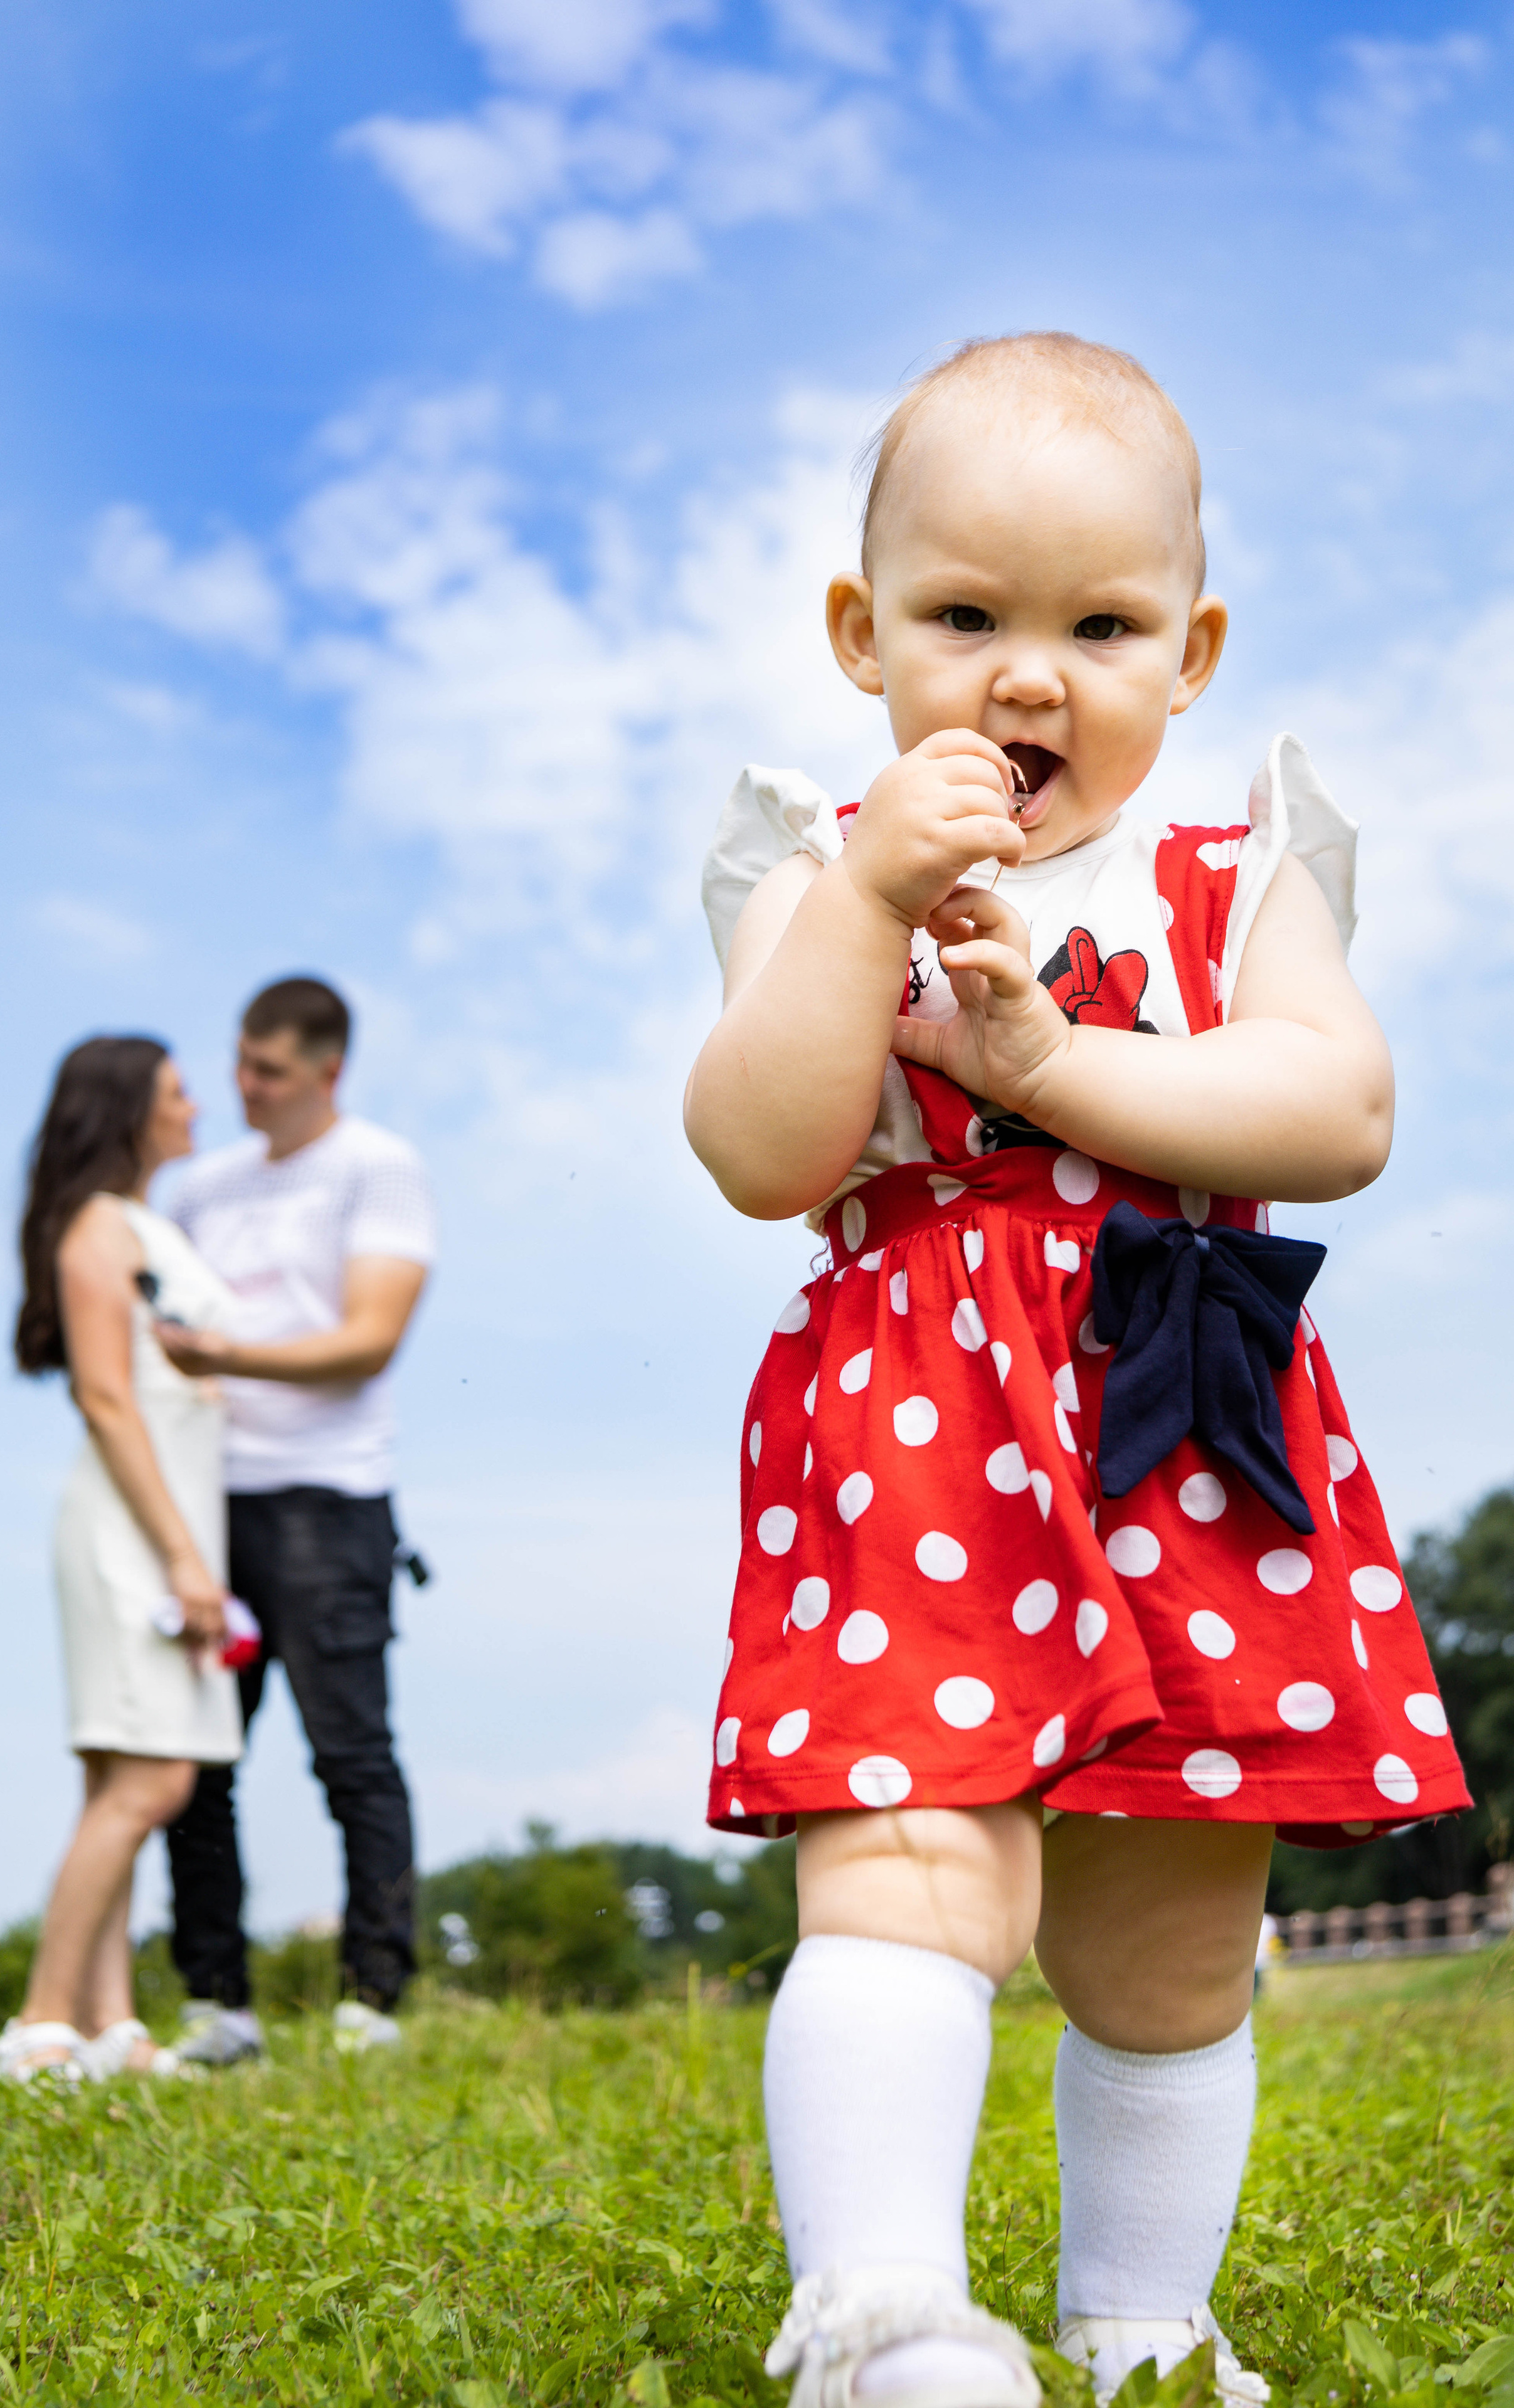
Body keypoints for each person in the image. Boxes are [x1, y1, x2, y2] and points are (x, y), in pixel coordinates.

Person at [684, 332, 1470, 2408]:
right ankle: (876, 2315)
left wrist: (1057, 1066)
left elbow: (1334, 1111)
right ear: (863, 637)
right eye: (964, 619)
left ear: (1190, 649)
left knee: (1169, 1931)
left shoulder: (1236, 873)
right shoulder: (811, 859)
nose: (1029, 677)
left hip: (1181, 1412)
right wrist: (866, 907)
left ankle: (1140, 2322)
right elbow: (763, 1150)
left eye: (1100, 625)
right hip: (922, 1421)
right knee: (915, 1849)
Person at [156, 976, 433, 2062]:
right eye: (239, 1063)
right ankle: (215, 2005)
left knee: (351, 1753)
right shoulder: (201, 1190)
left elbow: (369, 1339)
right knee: (196, 1765)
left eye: (268, 1071)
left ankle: (374, 2000)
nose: (245, 1088)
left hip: (330, 1496)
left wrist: (218, 1356)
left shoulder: (377, 1167)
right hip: (207, 1502)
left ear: (329, 1070)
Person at [3, 1037, 242, 2083]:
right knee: (150, 1780)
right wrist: (187, 1562)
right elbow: (104, 1397)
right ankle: (40, 2025)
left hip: (162, 1528)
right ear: (128, 1111)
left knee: (121, 1777)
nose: (196, 1107)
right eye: (177, 1093)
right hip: (131, 1536)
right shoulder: (98, 1228)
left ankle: (112, 2029)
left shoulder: (143, 1225)